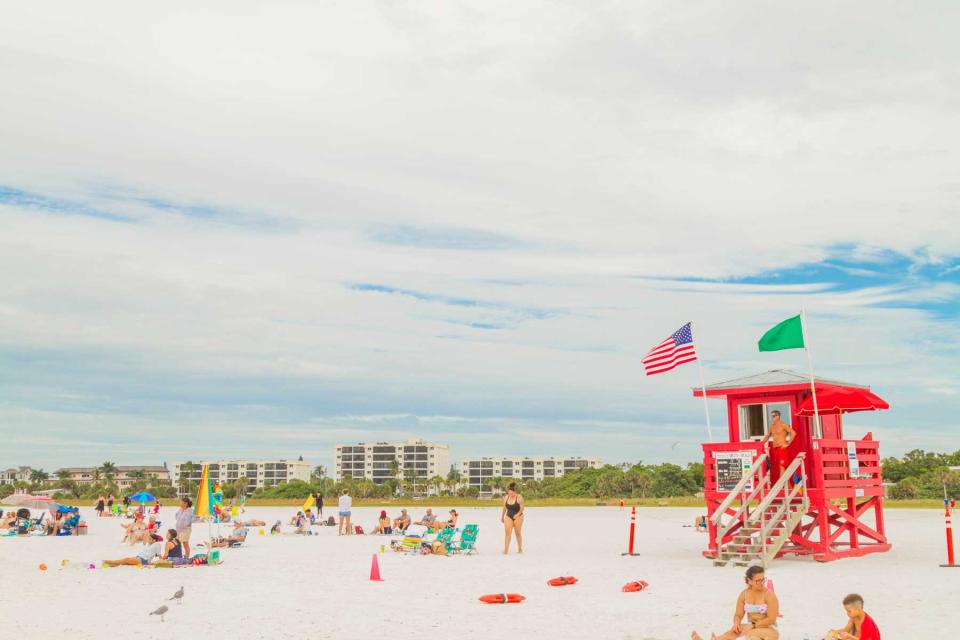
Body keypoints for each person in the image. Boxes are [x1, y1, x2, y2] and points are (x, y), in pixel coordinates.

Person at [691, 565, 779, 639]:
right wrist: (736, 623)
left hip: (768, 629)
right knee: (733, 632)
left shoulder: (769, 595)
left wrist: (753, 625)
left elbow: (772, 619)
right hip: (750, 627)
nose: (762, 582)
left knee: (751, 634)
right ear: (749, 581)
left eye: (763, 579)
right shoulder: (744, 594)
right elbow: (738, 615)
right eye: (758, 580)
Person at [104, 529, 182, 567]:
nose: (148, 540)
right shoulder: (150, 545)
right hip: (140, 557)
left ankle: (109, 561)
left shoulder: (157, 544)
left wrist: (157, 562)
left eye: (149, 538)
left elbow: (160, 556)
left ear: (154, 540)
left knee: (126, 559)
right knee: (126, 562)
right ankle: (112, 565)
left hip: (143, 560)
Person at [761, 410, 796, 482]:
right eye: (772, 416)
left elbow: (793, 433)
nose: (772, 418)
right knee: (781, 467)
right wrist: (760, 443)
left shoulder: (783, 425)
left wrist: (788, 443)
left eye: (774, 416)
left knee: (782, 467)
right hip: (775, 448)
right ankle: (787, 487)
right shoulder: (772, 426)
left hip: (782, 447)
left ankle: (780, 486)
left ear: (778, 416)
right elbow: (767, 436)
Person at [501, 482, 524, 554]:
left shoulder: (519, 497)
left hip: (518, 516)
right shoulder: (506, 497)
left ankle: (520, 549)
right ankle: (506, 550)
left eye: (511, 493)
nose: (510, 494)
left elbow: (522, 508)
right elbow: (504, 508)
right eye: (509, 492)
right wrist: (502, 516)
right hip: (508, 516)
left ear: (515, 491)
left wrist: (517, 514)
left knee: (517, 533)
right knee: (507, 533)